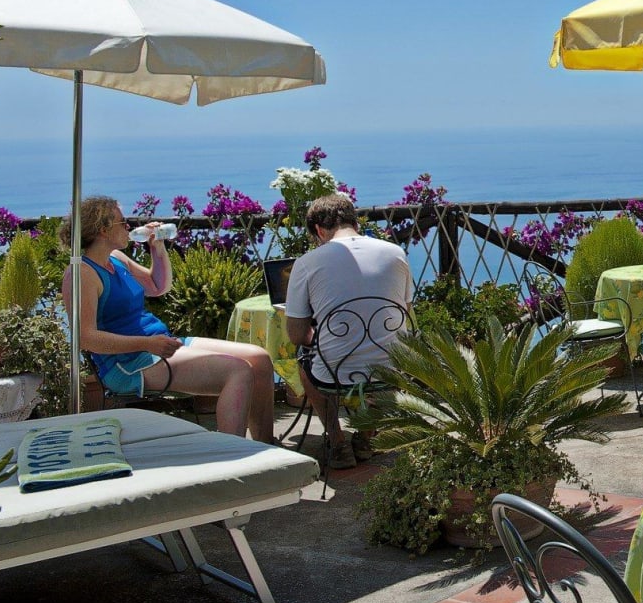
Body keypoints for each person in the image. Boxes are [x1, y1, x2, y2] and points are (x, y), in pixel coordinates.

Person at [63, 195, 276, 442]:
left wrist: (157, 248)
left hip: (158, 344)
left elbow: (158, 286)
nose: (128, 227)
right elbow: (86, 338)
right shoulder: (82, 273)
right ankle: (233, 453)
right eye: (123, 222)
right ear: (103, 229)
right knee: (237, 370)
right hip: (129, 363)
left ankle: (265, 445)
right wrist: (147, 344)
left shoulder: (116, 259)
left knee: (260, 359)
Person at [284, 192, 412, 469]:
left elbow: (297, 335)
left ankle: (337, 442)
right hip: (391, 367)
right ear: (355, 223)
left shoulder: (306, 263)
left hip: (334, 374)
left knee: (305, 360)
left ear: (319, 230)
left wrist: (322, 337)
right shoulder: (395, 253)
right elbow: (405, 313)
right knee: (380, 360)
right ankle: (366, 437)